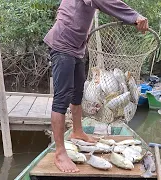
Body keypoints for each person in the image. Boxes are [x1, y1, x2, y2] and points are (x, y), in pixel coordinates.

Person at [43, 0, 148, 173]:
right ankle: (60, 153)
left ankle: (77, 131)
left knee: (77, 94)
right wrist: (134, 17)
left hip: (77, 48)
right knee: (62, 99)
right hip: (62, 45)